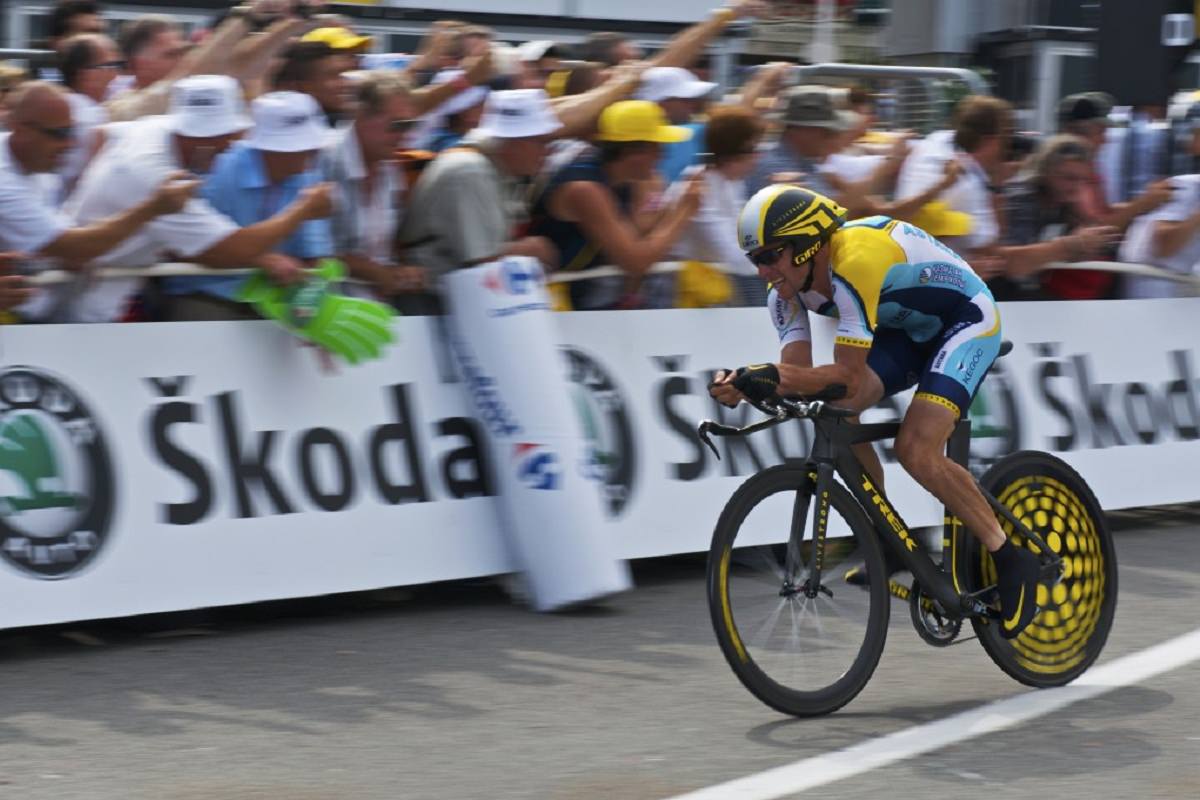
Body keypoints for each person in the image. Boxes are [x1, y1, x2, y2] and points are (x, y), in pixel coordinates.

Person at [709, 185, 1042, 639]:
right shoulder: (782, 294)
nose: (764, 271)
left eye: (771, 255)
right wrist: (748, 385)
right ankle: (887, 539)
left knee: (916, 449)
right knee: (835, 412)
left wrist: (771, 375)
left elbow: (843, 374)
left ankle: (1011, 558)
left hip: (966, 320)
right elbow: (799, 374)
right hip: (905, 332)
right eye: (755, 261)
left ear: (808, 243)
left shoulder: (855, 261)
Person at [61, 75, 332, 323]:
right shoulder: (156, 176)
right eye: (225, 137)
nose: (232, 145)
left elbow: (99, 135)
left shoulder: (157, 127)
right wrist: (303, 209)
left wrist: (85, 202)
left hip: (110, 283)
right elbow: (230, 251)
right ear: (199, 137)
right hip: (85, 300)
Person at [0, 81, 197, 321]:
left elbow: (68, 250)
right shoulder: (5, 181)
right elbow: (77, 249)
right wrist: (153, 207)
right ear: (22, 130)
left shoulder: (37, 167)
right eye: (59, 134)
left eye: (72, 132)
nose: (70, 144)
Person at [160, 90, 333, 320]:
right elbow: (181, 248)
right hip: (207, 293)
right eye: (299, 147)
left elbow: (314, 256)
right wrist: (260, 259)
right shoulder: (218, 172)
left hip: (276, 298)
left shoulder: (310, 174)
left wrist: (309, 294)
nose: (311, 153)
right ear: (265, 148)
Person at [527, 99, 704, 310]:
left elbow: (640, 233)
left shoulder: (625, 178)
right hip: (549, 299)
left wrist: (655, 201)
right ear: (632, 152)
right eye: (657, 147)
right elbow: (636, 262)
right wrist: (684, 211)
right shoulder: (585, 190)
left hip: (575, 294)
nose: (663, 155)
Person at [400, 89, 562, 298]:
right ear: (514, 142)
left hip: (457, 301)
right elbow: (481, 263)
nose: (547, 151)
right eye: (541, 142)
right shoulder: (470, 171)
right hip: (430, 306)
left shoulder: (500, 168)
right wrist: (530, 250)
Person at [1047, 92, 1173, 300]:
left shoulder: (1091, 169)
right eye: (1100, 132)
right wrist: (1143, 204)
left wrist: (1150, 202)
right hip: (1071, 292)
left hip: (1092, 284)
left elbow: (1104, 212)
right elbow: (1098, 227)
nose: (1105, 140)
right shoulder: (1066, 173)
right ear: (1073, 132)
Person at [319, 71, 426, 300]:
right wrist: (375, 272)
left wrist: (401, 273)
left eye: (410, 125)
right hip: (324, 309)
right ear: (361, 115)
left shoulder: (390, 167)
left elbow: (381, 250)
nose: (404, 135)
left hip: (372, 310)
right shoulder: (323, 160)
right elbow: (311, 250)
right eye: (397, 125)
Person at [994, 135, 1121, 301]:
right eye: (1069, 178)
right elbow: (1012, 265)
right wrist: (1073, 244)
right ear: (1045, 171)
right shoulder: (1023, 197)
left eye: (1083, 180)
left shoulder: (1061, 201)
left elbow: (1101, 244)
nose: (1076, 187)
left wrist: (1081, 217)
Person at [895, 95, 1013, 262]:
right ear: (990, 142)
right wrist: (997, 184)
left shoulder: (935, 140)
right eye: (1006, 140)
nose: (1007, 149)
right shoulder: (967, 183)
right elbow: (989, 248)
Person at [669, 104, 767, 305]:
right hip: (680, 292)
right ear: (734, 154)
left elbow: (747, 239)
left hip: (712, 284)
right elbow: (734, 256)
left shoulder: (731, 182)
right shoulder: (698, 187)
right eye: (755, 149)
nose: (759, 156)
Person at [746, 85, 854, 199]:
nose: (831, 138)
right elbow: (829, 212)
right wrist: (873, 176)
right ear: (803, 131)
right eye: (827, 132)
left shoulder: (805, 163)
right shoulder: (775, 167)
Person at [56, 33, 121, 196]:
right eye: (109, 66)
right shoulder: (93, 116)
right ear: (85, 74)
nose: (116, 75)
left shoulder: (59, 104)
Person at [636, 66, 715, 182]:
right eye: (686, 100)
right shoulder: (693, 132)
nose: (692, 105)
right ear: (660, 103)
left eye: (694, 99)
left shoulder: (693, 131)